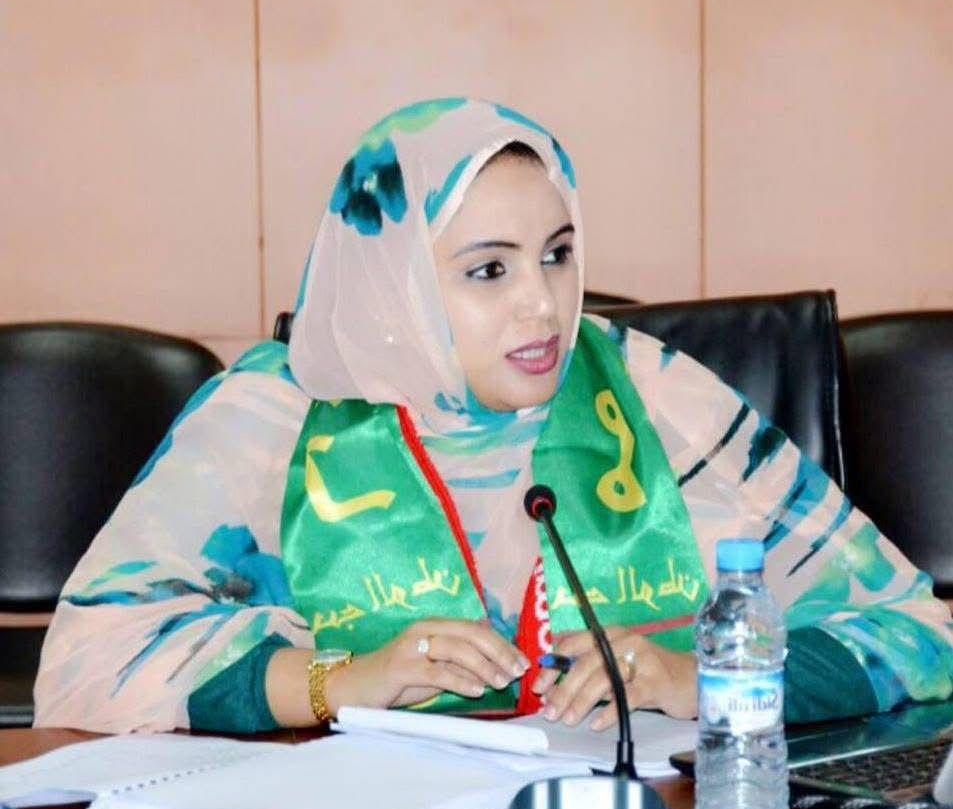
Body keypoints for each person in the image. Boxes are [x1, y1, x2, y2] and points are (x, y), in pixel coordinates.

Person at [34, 98, 953, 735]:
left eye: (556, 254)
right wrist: (338, 680)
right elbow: (85, 663)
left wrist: (695, 677)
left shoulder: (649, 391)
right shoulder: (275, 413)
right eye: (488, 270)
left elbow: (918, 629)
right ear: (390, 284)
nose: (543, 306)